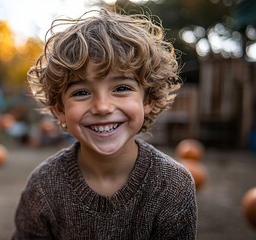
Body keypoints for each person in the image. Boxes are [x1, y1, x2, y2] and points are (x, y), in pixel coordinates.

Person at [12, 8, 197, 239]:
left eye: (121, 88)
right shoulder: (43, 186)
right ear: (60, 109)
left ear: (147, 99)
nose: (102, 106)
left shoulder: (172, 185)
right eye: (81, 92)